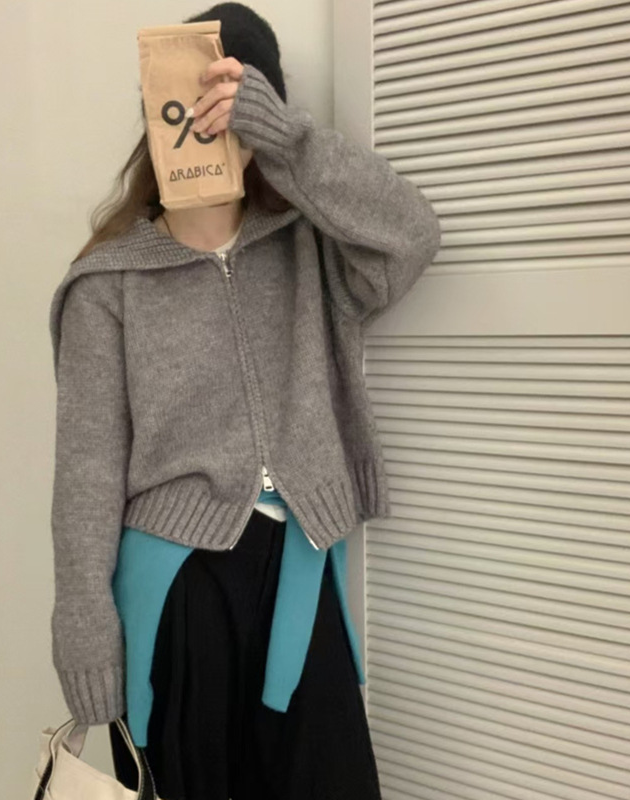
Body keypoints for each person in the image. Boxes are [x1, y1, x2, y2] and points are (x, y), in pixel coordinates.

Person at [47, 3, 441, 799]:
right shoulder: (108, 284)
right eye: (196, 100)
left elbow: (412, 235)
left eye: (236, 102)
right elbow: (86, 472)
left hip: (298, 564)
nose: (213, 121)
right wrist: (83, 626)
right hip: (175, 591)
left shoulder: (310, 249)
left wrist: (289, 140)